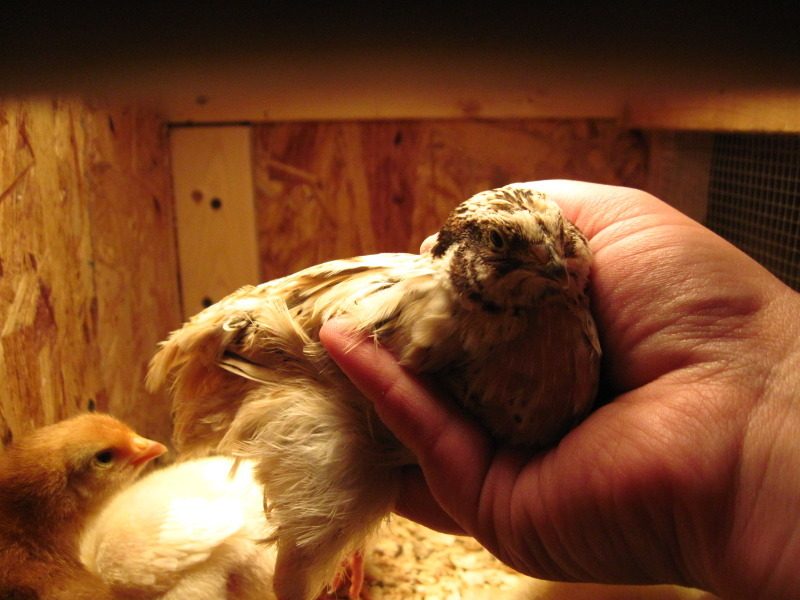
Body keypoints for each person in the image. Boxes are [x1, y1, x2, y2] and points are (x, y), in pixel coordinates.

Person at [319, 180, 800, 600]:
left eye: (561, 236)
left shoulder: (584, 311)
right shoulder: (439, 324)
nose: (552, 259)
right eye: (501, 244)